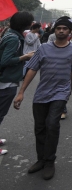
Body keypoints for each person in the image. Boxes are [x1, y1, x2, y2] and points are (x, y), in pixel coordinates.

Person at [13, 17, 72, 180]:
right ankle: (41, 159)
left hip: (60, 93)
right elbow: (32, 69)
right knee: (40, 128)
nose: (62, 31)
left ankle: (50, 161)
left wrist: (68, 90)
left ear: (69, 32)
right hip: (42, 93)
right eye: (59, 28)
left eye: (65, 28)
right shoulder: (43, 48)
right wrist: (21, 91)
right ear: (54, 30)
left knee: (52, 125)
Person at [0, 12, 34, 155]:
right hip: (6, 82)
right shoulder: (14, 39)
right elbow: (5, 61)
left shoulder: (9, 35)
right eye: (30, 22)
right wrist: (24, 57)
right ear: (25, 25)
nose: (32, 25)